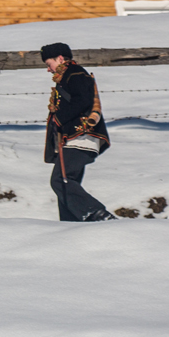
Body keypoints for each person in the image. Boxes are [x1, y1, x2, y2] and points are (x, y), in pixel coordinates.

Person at [42, 42, 117, 221]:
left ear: (60, 58)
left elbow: (82, 100)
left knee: (61, 181)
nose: (48, 70)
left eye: (48, 64)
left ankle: (97, 213)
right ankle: (70, 226)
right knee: (67, 185)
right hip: (75, 139)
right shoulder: (68, 76)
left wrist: (59, 118)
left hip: (81, 137)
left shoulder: (74, 74)